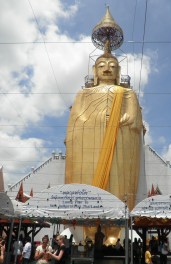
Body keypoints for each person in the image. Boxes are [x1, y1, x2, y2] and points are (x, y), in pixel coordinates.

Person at [65, 10, 143, 212]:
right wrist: (99, 120)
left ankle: (115, 223)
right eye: (102, 65)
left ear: (118, 72)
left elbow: (133, 120)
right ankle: (88, 220)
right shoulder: (83, 93)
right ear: (95, 71)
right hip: (90, 143)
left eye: (111, 65)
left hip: (119, 143)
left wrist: (119, 121)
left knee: (119, 180)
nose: (107, 68)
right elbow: (76, 121)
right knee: (87, 177)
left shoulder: (127, 93)